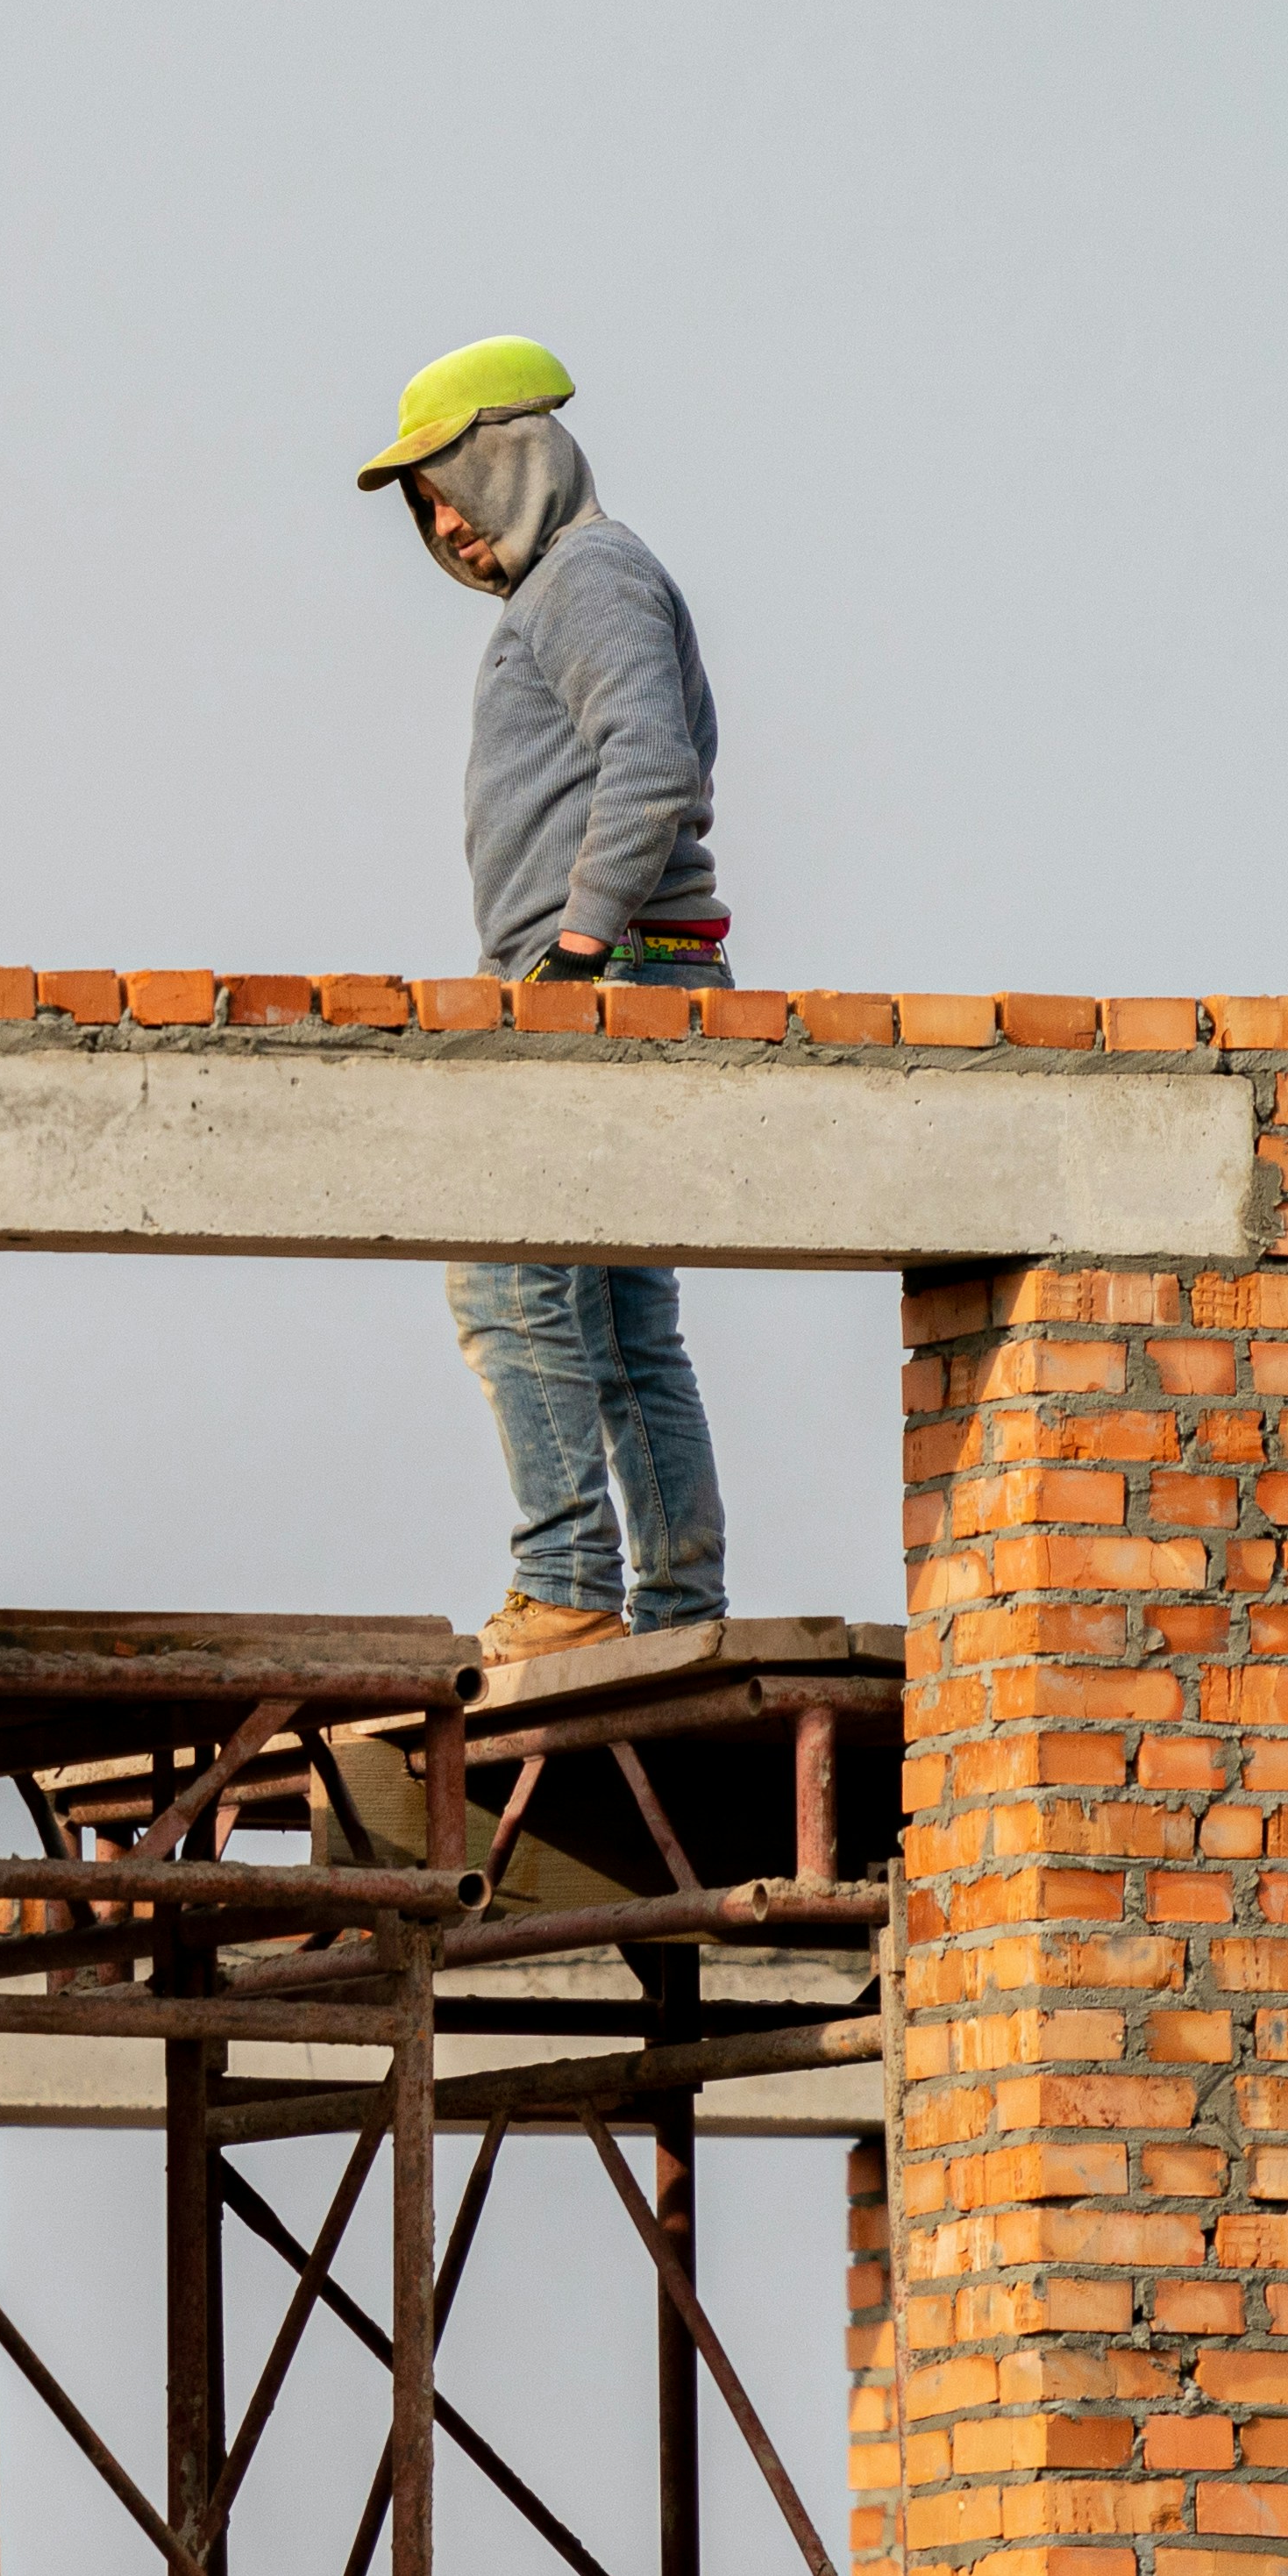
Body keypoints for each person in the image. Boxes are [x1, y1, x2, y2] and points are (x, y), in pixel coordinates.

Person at [354, 335, 731, 1668]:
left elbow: (651, 760)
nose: (445, 525)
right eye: (423, 510)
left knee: (511, 1277)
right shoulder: (573, 587)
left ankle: (567, 1586)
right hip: (631, 972)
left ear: (514, 454)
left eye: (450, 485)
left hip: (607, 979)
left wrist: (571, 953)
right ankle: (678, 1609)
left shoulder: (588, 577)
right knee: (620, 1319)